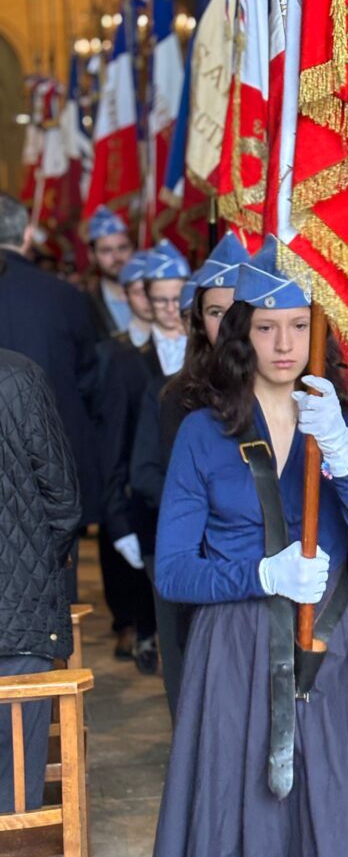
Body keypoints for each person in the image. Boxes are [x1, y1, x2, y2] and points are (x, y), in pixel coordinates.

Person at [137, 235, 348, 857]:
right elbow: (173, 569)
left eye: (300, 325)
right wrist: (259, 571)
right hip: (236, 646)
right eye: (266, 326)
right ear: (240, 332)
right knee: (254, 819)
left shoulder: (347, 425)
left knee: (336, 816)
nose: (285, 343)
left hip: (333, 642)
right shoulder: (203, 430)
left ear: (319, 329)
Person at [131, 231, 248, 716]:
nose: (228, 323)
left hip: (249, 568)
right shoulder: (175, 396)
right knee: (192, 693)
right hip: (191, 560)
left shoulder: (289, 390)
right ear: (199, 320)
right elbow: (146, 475)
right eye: (215, 312)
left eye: (236, 309)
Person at [0, 349, 81, 857]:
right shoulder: (17, 377)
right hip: (15, 619)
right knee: (13, 786)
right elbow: (63, 500)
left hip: (16, 612)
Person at [0, 193, 101, 601]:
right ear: (26, 234)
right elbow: (89, 380)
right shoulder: (66, 297)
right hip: (52, 475)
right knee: (57, 598)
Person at [98, 240, 190, 674]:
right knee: (163, 626)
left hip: (195, 506)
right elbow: (113, 444)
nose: (171, 309)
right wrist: (117, 521)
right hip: (148, 507)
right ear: (147, 300)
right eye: (161, 299)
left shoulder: (205, 355)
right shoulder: (125, 360)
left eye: (178, 298)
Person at [87, 206, 135, 337]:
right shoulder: (85, 304)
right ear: (92, 255)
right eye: (106, 250)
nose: (117, 257)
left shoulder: (153, 298)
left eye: (123, 248)